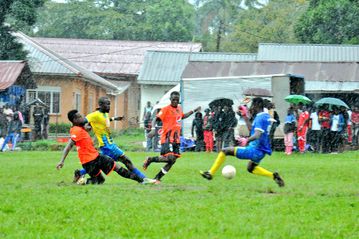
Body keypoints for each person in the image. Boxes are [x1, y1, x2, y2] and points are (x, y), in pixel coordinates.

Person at [200, 97, 285, 187]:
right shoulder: (264, 116)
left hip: (254, 150)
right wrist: (244, 116)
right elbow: (252, 130)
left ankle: (210, 173)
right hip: (261, 151)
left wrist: (246, 140)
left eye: (253, 105)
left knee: (225, 151)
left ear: (259, 105)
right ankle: (274, 176)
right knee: (251, 168)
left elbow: (257, 134)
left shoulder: (260, 118)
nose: (251, 107)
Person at [56, 110, 155, 185]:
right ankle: (82, 180)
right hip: (89, 162)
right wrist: (62, 161)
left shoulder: (80, 127)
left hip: (94, 159)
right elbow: (68, 146)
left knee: (110, 174)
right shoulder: (76, 131)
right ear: (74, 120)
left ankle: (142, 180)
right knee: (108, 175)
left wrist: (108, 120)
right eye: (80, 117)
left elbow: (90, 127)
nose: (83, 118)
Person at [74, 96, 147, 181]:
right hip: (107, 146)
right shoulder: (95, 114)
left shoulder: (104, 113)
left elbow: (104, 120)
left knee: (100, 163)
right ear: (101, 105)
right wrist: (83, 129)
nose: (109, 106)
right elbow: (83, 121)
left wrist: (114, 118)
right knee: (126, 160)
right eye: (107, 104)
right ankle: (143, 178)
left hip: (108, 144)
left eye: (109, 104)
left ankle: (79, 173)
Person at [143, 91, 200, 184]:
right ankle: (151, 160)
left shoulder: (179, 109)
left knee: (172, 161)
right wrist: (153, 129)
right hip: (167, 138)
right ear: (170, 99)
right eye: (173, 99)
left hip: (176, 139)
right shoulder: (165, 109)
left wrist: (193, 111)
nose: (175, 101)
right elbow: (156, 119)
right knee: (170, 158)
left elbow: (183, 116)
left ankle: (157, 178)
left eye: (177, 100)